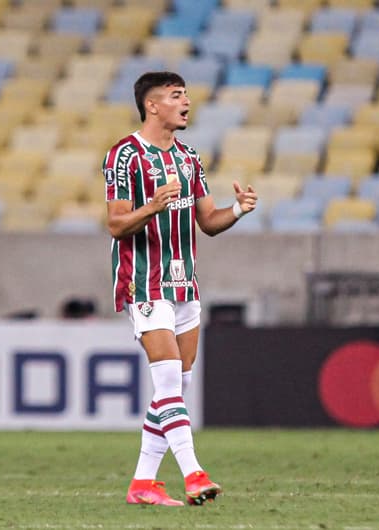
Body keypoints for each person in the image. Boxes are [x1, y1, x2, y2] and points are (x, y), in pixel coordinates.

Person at [103, 71, 258, 507]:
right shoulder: (125, 156)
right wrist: (152, 206)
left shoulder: (189, 158)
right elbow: (116, 224)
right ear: (152, 105)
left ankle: (143, 484)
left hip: (184, 284)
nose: (186, 101)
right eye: (176, 96)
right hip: (145, 283)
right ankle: (194, 473)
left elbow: (207, 223)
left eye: (186, 95)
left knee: (175, 386)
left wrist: (238, 211)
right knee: (169, 378)